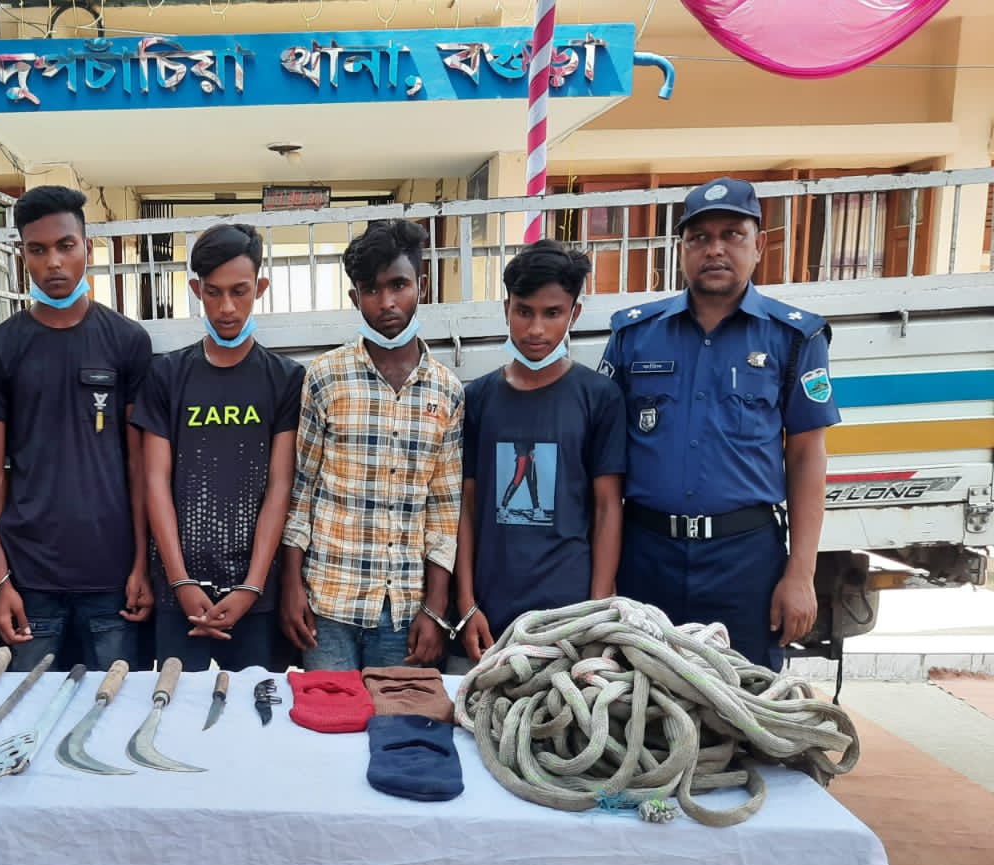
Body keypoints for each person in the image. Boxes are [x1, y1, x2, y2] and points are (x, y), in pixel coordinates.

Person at [600, 176, 837, 669]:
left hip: (745, 562)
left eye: (732, 234)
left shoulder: (794, 337)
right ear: (681, 249)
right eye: (700, 237)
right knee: (639, 697)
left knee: (743, 700)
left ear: (759, 245)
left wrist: (801, 573)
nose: (715, 249)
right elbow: (606, 460)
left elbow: (806, 458)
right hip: (646, 557)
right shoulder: (634, 335)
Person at [0, 185, 153, 671]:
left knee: (114, 711)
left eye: (65, 246)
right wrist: (1, 582)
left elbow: (140, 467)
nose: (53, 262)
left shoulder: (127, 341)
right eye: (38, 249)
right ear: (22, 255)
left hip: (113, 580)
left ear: (87, 248)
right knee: (28, 714)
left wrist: (141, 564)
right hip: (29, 582)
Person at [280, 219, 464, 671]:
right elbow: (301, 491)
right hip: (328, 603)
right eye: (371, 290)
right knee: (330, 713)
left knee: (397, 716)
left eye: (398, 285)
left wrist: (436, 608)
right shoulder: (325, 376)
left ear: (421, 286)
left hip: (405, 611)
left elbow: (445, 508)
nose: (386, 303)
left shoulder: (447, 391)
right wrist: (291, 586)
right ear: (354, 297)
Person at [132, 223, 302, 669]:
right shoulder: (167, 375)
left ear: (260, 288)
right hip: (179, 594)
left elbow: (280, 486)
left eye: (239, 291)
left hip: (256, 596)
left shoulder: (285, 379)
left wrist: (252, 586)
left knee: (254, 706)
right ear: (196, 291)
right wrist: (180, 582)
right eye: (213, 292)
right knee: (176, 702)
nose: (227, 307)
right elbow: (155, 482)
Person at [452, 240, 625, 667]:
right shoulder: (479, 398)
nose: (536, 329)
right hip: (490, 613)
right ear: (506, 308)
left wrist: (596, 613)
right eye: (524, 311)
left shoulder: (599, 397)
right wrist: (467, 604)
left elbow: (607, 507)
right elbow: (465, 508)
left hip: (567, 615)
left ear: (574, 314)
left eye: (552, 313)